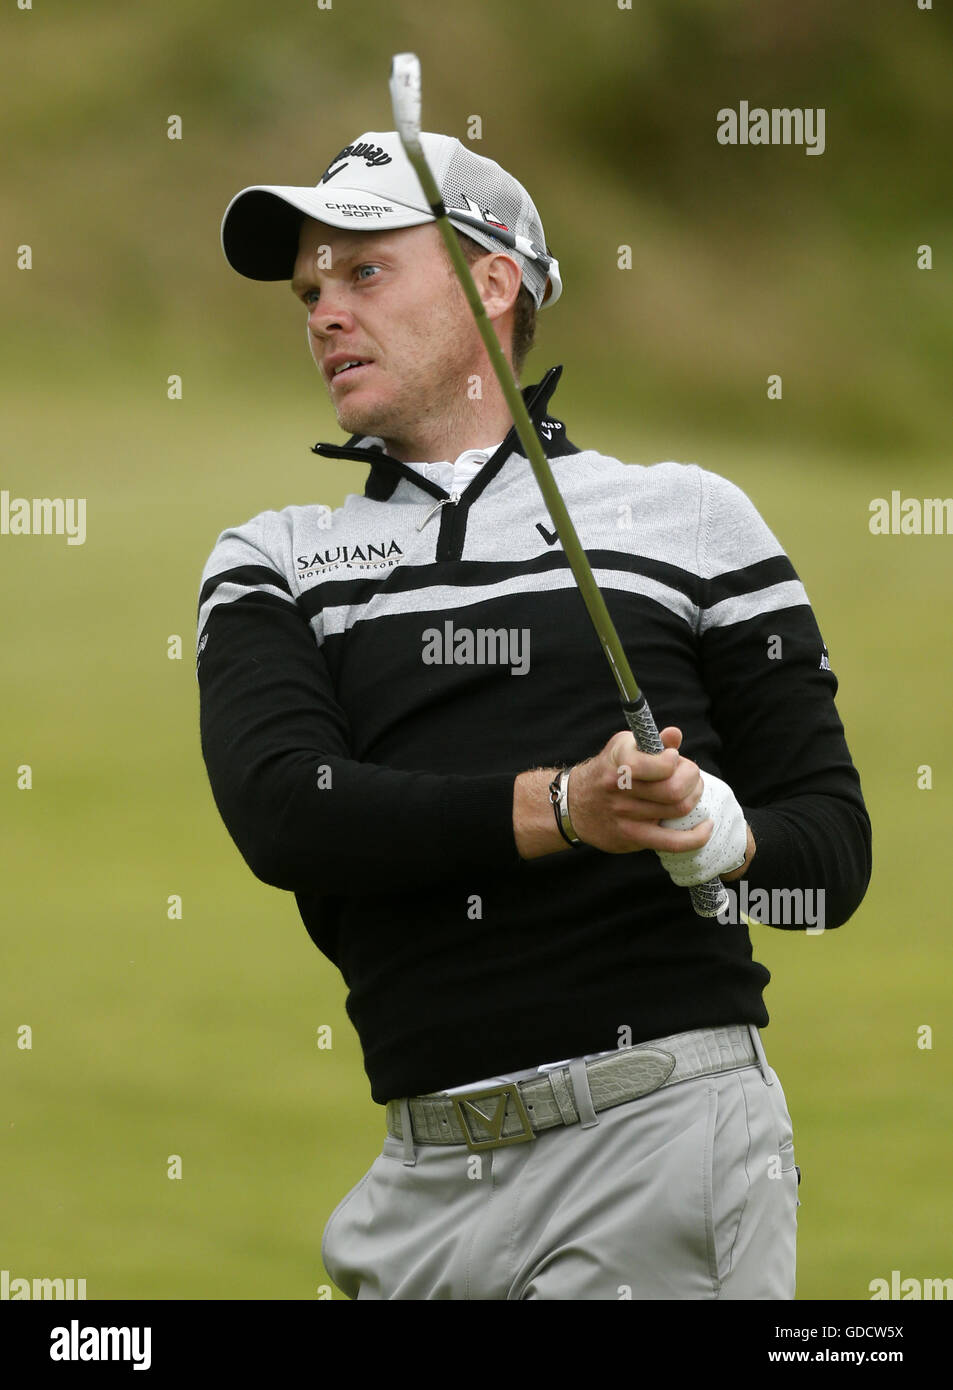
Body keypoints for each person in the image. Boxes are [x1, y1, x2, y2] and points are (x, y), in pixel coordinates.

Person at [197, 130, 871, 1300]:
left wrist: (711, 830)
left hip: (659, 1140)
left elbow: (831, 856)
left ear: (489, 280)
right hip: (417, 1180)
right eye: (310, 290)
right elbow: (286, 813)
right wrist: (564, 808)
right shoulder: (275, 562)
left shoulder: (689, 522)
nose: (322, 314)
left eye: (363, 272)